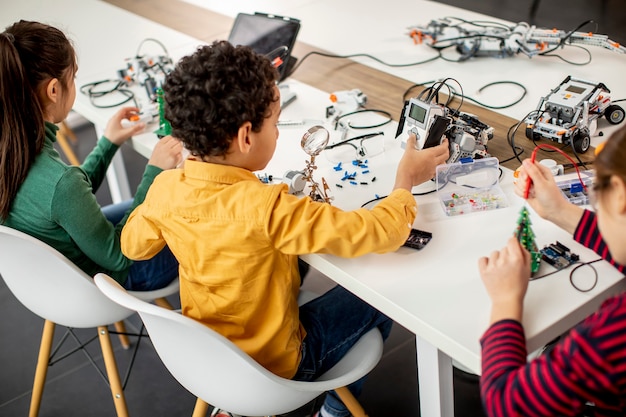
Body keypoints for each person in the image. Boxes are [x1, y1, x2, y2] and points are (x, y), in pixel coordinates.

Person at [120, 40, 449, 417]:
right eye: (275, 124)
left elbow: (133, 247)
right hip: (278, 371)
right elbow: (378, 232)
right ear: (246, 137)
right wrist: (405, 181)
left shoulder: (165, 189)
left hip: (207, 360)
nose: (277, 132)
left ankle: (234, 408)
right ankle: (333, 411)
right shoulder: (268, 207)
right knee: (379, 297)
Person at [0, 20, 182, 291]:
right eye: (72, 78)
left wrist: (107, 143)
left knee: (150, 204)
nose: (73, 84)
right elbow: (121, 256)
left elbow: (66, 199)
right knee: (194, 216)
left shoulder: (11, 151)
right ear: (53, 90)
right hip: (115, 276)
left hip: (51, 282)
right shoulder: (59, 183)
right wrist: (154, 171)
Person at [478, 125, 626, 417]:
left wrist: (505, 301)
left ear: (620, 195)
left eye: (596, 195)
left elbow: (505, 404)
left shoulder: (613, 333)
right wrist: (558, 210)